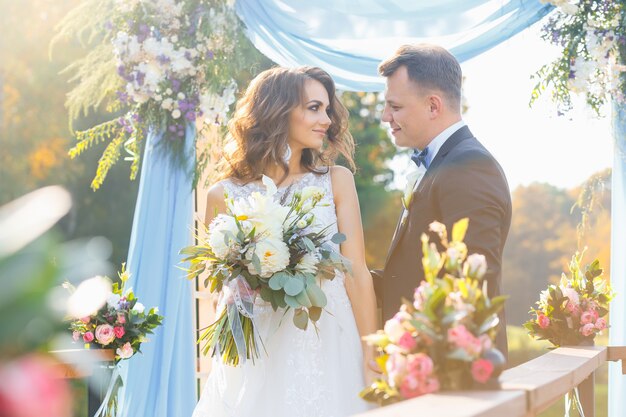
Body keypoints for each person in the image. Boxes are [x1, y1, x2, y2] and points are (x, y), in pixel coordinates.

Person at [192, 66, 377, 417]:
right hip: (258, 350)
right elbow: (220, 289)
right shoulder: (222, 194)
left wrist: (371, 350)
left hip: (328, 344)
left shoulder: (336, 182)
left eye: (327, 109)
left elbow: (357, 274)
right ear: (278, 111)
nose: (327, 119)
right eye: (314, 108)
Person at [376, 44, 512, 356]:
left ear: (433, 106)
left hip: (453, 372)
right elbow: (416, 276)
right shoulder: (441, 164)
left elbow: (475, 285)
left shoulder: (470, 167)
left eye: (394, 107)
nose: (386, 117)